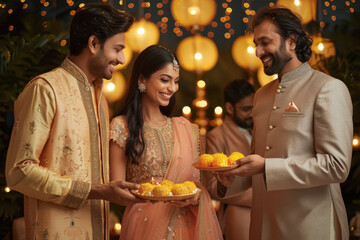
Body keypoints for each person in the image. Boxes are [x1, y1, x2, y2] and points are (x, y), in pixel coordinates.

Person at [5, 4, 144, 239]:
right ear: (93, 44)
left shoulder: (100, 99)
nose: (121, 59)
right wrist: (95, 191)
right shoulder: (45, 89)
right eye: (117, 49)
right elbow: (19, 171)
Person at [217, 6, 353, 240]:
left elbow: (336, 166)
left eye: (265, 42)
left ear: (291, 41)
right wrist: (230, 181)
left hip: (310, 227)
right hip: (263, 226)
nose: (258, 52)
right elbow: (258, 160)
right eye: (255, 45)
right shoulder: (261, 95)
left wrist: (266, 167)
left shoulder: (327, 88)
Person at [109, 45, 223, 240]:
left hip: (184, 228)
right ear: (142, 79)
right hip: (142, 227)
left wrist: (196, 197)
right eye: (165, 80)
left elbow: (198, 185)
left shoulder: (185, 128)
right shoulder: (121, 126)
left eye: (176, 81)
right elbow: (116, 190)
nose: (172, 88)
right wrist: (150, 193)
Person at [205, 80, 254, 240]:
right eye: (246, 109)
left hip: (269, 214)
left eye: (254, 107)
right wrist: (261, 196)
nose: (252, 114)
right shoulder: (216, 136)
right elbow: (212, 188)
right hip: (238, 216)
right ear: (229, 108)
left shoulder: (259, 129)